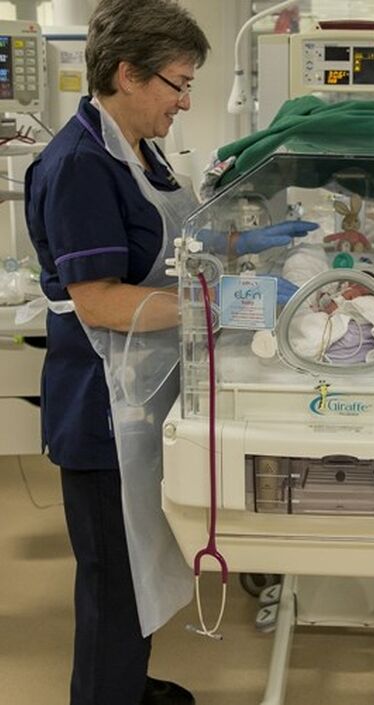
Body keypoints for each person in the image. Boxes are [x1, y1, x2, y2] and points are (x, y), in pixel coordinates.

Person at [23, 2, 313, 704]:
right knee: (112, 580)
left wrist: (242, 246)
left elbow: (169, 246)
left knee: (140, 561)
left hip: (145, 390)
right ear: (127, 73)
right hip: (102, 406)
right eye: (177, 85)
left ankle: (127, 683)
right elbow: (100, 300)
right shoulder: (80, 166)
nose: (185, 101)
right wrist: (221, 307)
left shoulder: (139, 149)